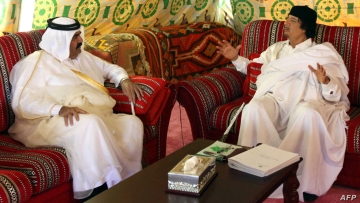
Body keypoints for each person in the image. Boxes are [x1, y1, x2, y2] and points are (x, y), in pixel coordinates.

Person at [216, 6, 349, 202]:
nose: (285, 23)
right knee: (254, 108)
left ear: (304, 27)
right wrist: (235, 58)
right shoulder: (276, 49)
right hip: (276, 102)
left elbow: (336, 95)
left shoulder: (322, 54)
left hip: (307, 102)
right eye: (287, 19)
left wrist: (326, 82)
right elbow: (255, 67)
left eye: (292, 20)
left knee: (308, 114)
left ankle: (306, 182)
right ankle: (251, 171)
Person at [9, 17, 145, 200]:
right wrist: (59, 108)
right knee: (90, 124)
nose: (80, 40)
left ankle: (130, 182)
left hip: (92, 113)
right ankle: (103, 191)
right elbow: (22, 102)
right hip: (47, 120)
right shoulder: (35, 63)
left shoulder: (83, 56)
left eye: (79, 34)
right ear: (60, 40)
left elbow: (109, 69)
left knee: (132, 123)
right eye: (74, 37)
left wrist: (123, 79)